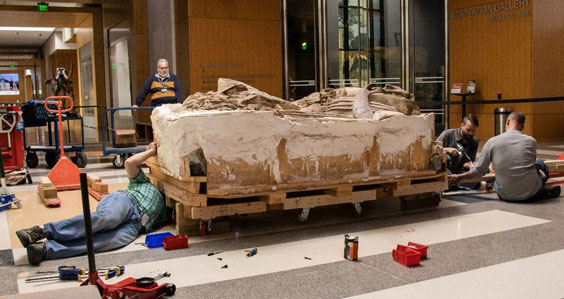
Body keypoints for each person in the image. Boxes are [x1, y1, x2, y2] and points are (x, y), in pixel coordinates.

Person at [16, 142, 166, 265]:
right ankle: (40, 231)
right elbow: (129, 163)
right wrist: (151, 152)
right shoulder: (143, 182)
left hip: (136, 226)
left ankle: (45, 249)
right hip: (127, 202)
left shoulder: (168, 208)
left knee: (109, 241)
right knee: (108, 218)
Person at [449, 111, 561, 202]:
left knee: (498, 181)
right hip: (531, 193)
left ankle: (534, 190)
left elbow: (479, 170)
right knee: (540, 164)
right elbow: (531, 164)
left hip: (505, 195)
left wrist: (459, 177)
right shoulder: (531, 141)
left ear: (507, 122)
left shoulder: (492, 141)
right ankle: (542, 190)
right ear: (522, 127)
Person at [437, 114, 480, 190]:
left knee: (475, 179)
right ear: (462, 125)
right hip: (445, 169)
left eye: (473, 131)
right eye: (468, 130)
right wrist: (446, 149)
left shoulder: (474, 142)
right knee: (445, 175)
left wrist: (470, 166)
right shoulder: (447, 134)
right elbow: (433, 149)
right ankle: (454, 184)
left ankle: (451, 185)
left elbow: (466, 161)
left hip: (459, 171)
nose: (471, 133)